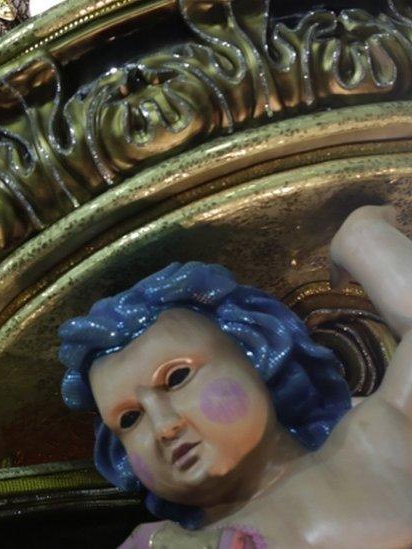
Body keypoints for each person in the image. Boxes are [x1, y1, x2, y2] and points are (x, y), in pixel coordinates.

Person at [58, 205, 411, 547]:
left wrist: (365, 239)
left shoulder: (372, 443)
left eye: (178, 378)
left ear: (257, 353)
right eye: (130, 419)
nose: (164, 426)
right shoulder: (166, 545)